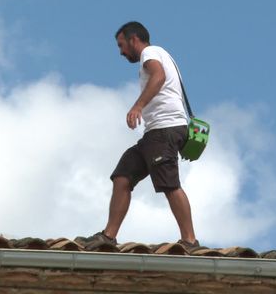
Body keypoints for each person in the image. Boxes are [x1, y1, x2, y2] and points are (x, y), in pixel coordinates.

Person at [79, 21, 199, 250]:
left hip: (164, 129)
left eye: (121, 45)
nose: (121, 52)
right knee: (123, 174)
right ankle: (108, 236)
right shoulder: (162, 54)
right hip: (154, 133)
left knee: (169, 183)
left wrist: (137, 106)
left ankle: (190, 241)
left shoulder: (150, 53)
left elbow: (159, 76)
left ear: (134, 39)